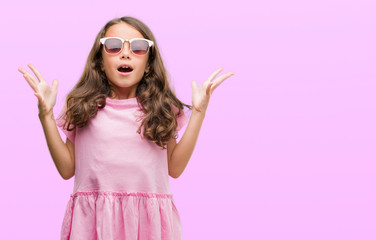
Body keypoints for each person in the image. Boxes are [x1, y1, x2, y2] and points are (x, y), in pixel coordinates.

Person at [18, 16, 234, 240]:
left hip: (148, 226)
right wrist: (46, 116)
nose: (125, 53)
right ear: (100, 61)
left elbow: (175, 168)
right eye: (113, 45)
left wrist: (199, 112)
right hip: (93, 225)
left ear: (149, 65)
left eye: (139, 48)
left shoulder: (161, 109)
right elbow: (66, 169)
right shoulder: (82, 106)